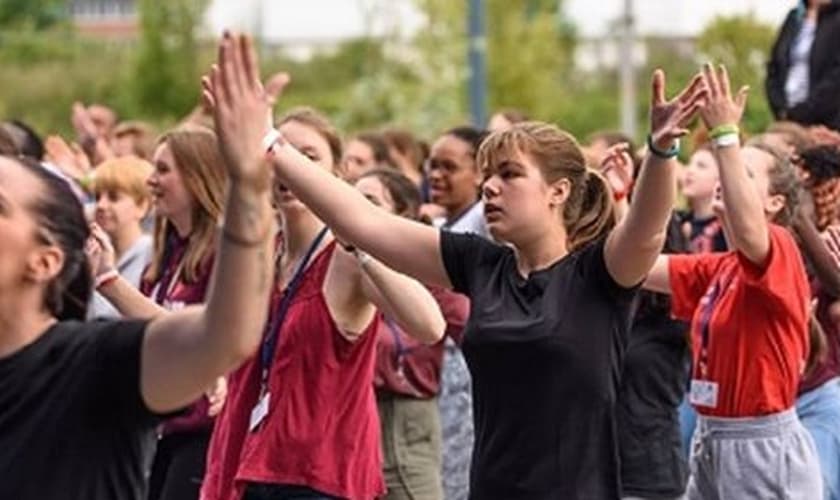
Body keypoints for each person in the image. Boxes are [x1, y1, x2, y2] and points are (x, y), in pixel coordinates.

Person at [223, 43, 706, 497]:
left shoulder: (598, 276)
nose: (490, 188)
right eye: (488, 176)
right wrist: (270, 143)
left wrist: (662, 152)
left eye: (510, 175)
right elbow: (364, 222)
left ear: (558, 191)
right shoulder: (481, 264)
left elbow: (646, 230)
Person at [0, 32, 276, 500]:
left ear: (44, 261)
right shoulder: (164, 257)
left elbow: (225, 335)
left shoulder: (96, 361)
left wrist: (248, 185)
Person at [199, 107, 445, 500]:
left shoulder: (345, 256)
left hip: (317, 477)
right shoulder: (263, 252)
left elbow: (430, 325)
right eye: (280, 154)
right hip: (248, 461)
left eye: (308, 157)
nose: (290, 168)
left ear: (335, 173)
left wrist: (362, 247)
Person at [646, 64, 822, 499]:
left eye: (742, 173)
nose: (726, 177)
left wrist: (726, 135)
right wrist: (657, 153)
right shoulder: (719, 265)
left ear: (775, 202)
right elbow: (633, 264)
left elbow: (749, 232)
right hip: (713, 435)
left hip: (759, 444)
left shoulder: (779, 248)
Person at [91, 124, 228, 500]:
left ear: (199, 176)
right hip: (162, 422)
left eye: (164, 170)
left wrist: (109, 281)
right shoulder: (168, 253)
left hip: (204, 429)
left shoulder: (224, 253)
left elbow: (201, 335)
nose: (151, 181)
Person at [356, 168, 470, 500]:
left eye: (370, 201)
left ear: (403, 215)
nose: (353, 209)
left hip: (402, 428)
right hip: (347, 431)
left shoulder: (427, 271)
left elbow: (472, 329)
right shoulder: (338, 262)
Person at [87, 156, 154, 319]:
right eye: (97, 197)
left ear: (142, 206)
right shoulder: (94, 253)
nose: (101, 205)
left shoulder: (152, 256)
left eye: (114, 197)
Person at [766, 0, 840, 129]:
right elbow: (774, 68)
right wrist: (781, 109)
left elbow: (835, 79)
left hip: (828, 123)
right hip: (787, 118)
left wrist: (803, 112)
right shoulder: (793, 18)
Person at [678, 143, 728, 253]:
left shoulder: (726, 230)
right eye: (689, 163)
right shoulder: (678, 221)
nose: (690, 171)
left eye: (701, 166)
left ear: (721, 178)